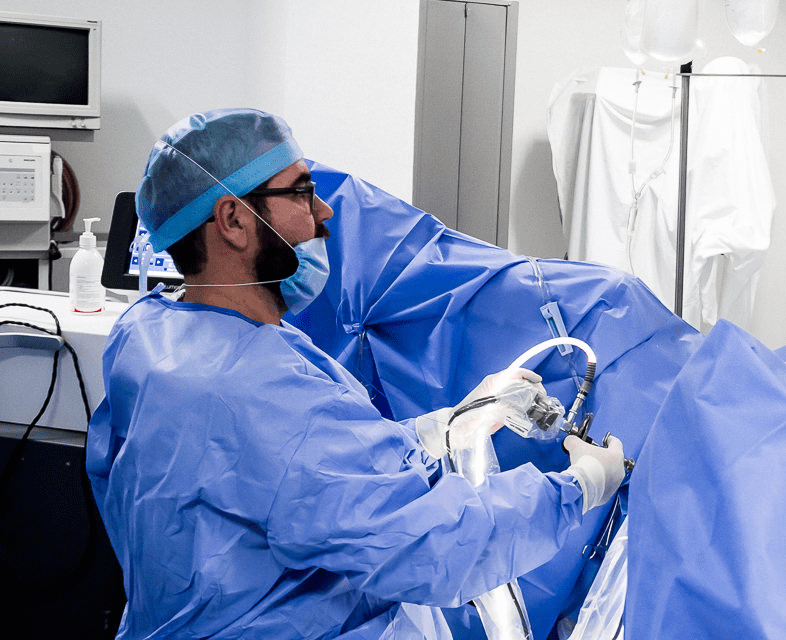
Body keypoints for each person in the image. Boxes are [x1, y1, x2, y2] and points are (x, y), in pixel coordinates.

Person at [85, 108, 627, 639]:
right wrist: (577, 488)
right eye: (301, 192)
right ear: (233, 220)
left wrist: (448, 426)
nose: (324, 211)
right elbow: (432, 545)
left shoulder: (148, 333)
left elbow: (298, 471)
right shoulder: (260, 389)